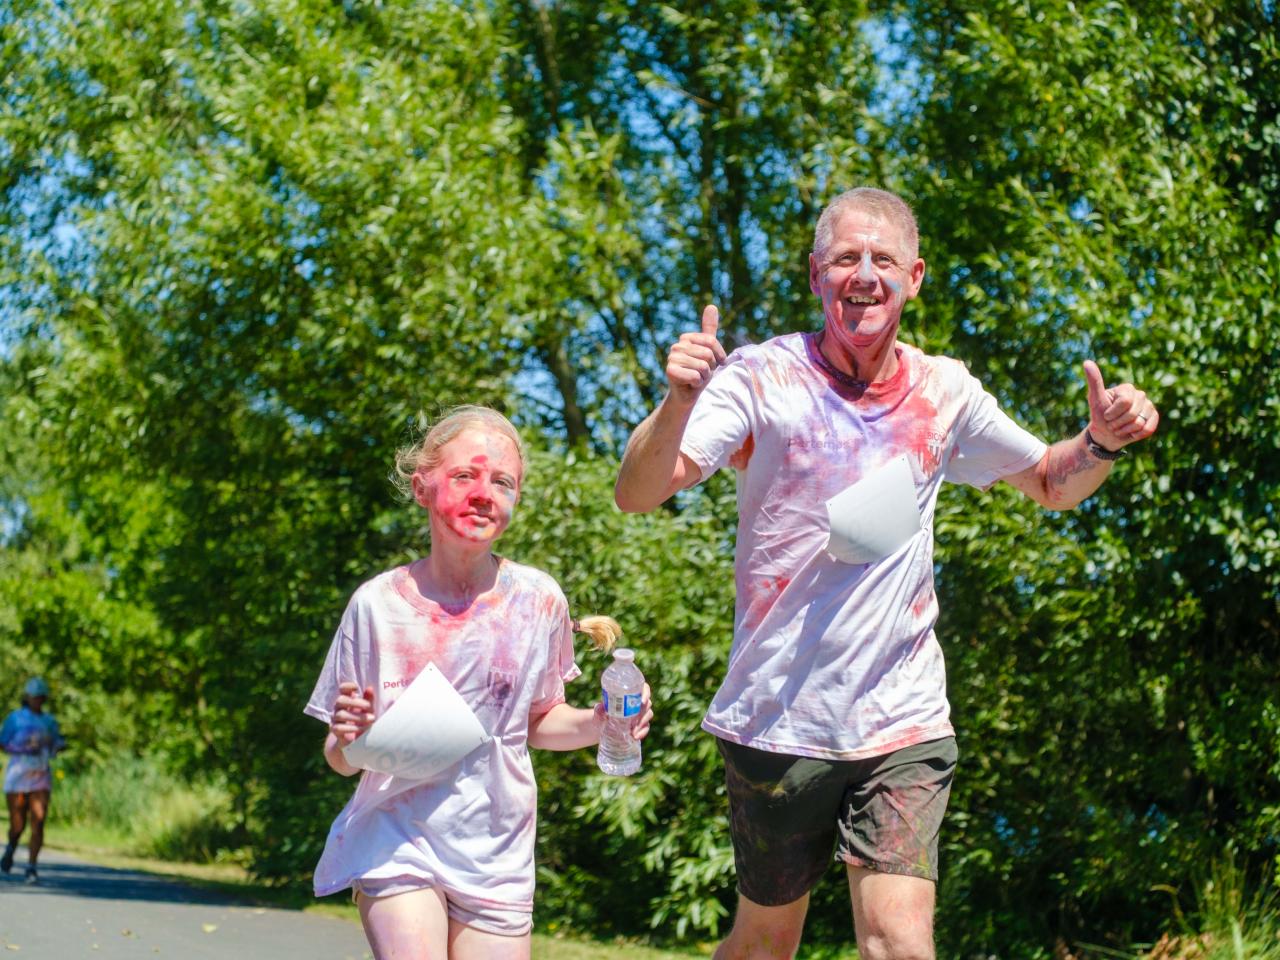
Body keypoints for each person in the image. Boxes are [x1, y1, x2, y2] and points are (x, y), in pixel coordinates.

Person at [614, 186, 1158, 960]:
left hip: (903, 714)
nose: (863, 274)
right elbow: (638, 493)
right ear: (814, 275)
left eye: (882, 259)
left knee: (899, 939)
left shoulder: (946, 391)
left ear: (915, 276)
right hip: (779, 712)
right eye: (845, 258)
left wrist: (1099, 441)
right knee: (766, 941)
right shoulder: (760, 377)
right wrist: (676, 401)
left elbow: (1048, 481)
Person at [306, 405, 653, 960]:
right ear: (422, 486)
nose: (484, 492)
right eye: (465, 475)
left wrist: (603, 722)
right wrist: (349, 738)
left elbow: (540, 721)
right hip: (397, 834)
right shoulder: (376, 605)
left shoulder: (538, 599)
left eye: (502, 481)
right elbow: (341, 757)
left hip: (497, 845)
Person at [1, 677, 67, 884]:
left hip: (40, 774)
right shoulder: (15, 718)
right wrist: (22, 748)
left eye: (40, 697)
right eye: (34, 697)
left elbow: (57, 743)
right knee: (18, 824)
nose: (37, 700)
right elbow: (2, 742)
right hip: (19, 772)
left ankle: (31, 866)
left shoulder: (49, 721)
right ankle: (11, 847)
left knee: (38, 820)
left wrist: (58, 746)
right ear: (27, 697)